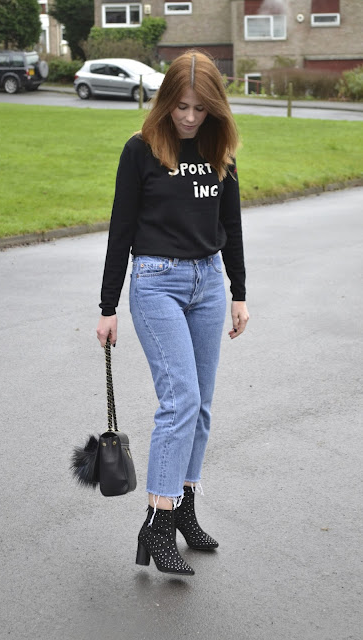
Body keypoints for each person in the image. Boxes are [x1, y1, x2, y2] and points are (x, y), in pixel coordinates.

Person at [96, 50, 249, 576]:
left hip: (208, 283)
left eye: (200, 108)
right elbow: (121, 228)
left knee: (201, 406)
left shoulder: (219, 152)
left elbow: (231, 223)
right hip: (156, 281)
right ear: (166, 103)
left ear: (215, 110)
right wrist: (107, 305)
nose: (189, 117)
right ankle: (156, 523)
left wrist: (239, 291)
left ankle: (184, 510)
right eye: (181, 106)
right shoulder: (141, 151)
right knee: (180, 399)